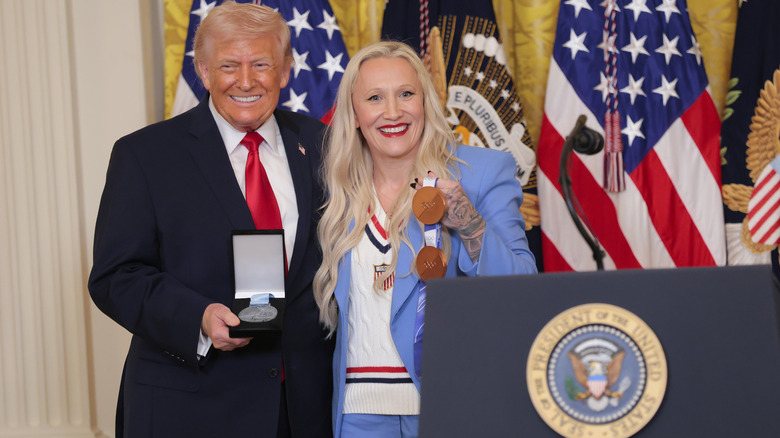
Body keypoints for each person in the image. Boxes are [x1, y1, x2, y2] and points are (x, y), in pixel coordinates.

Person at [88, 2, 333, 437]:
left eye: (261, 64)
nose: (245, 80)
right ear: (202, 71)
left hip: (302, 409)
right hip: (189, 408)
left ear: (285, 70)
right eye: (228, 65)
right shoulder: (145, 156)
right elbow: (115, 276)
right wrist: (197, 317)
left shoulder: (324, 145)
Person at [312, 41, 538, 438]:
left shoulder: (482, 171)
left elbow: (523, 287)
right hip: (357, 415)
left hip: (450, 408)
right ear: (355, 112)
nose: (393, 112)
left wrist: (470, 225)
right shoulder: (336, 187)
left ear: (425, 100)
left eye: (406, 94)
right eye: (374, 98)